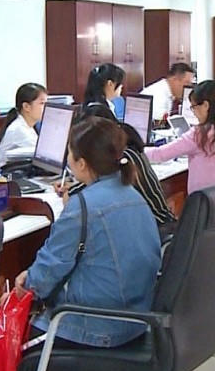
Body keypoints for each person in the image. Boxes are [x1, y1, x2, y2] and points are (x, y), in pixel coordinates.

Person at [13, 117, 160, 347]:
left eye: (70, 153)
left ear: (81, 163)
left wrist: (26, 286)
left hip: (96, 327)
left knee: (16, 337)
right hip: (138, 320)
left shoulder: (81, 207)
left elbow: (49, 268)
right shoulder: (133, 196)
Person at [58, 103, 176, 237]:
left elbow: (70, 198)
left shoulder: (120, 159)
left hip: (157, 232)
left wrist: (73, 188)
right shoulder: (128, 150)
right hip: (158, 229)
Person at [145, 80, 215, 195]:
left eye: (193, 107)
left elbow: (160, 154)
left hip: (205, 205)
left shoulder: (198, 135)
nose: (193, 112)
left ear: (206, 105)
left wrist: (136, 151)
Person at [0, 83, 47, 170]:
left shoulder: (26, 126)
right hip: (6, 177)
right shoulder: (19, 130)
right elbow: (43, 157)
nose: (46, 107)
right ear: (26, 106)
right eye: (42, 103)